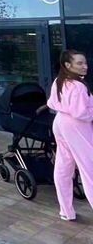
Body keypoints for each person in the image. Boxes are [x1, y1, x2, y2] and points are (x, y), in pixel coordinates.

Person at [47, 50, 93, 221]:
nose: (85, 66)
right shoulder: (78, 86)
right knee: (89, 169)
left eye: (85, 63)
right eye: (79, 63)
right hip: (77, 126)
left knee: (63, 167)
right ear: (68, 65)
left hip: (60, 122)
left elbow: (52, 102)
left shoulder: (59, 81)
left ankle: (66, 211)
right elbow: (81, 113)